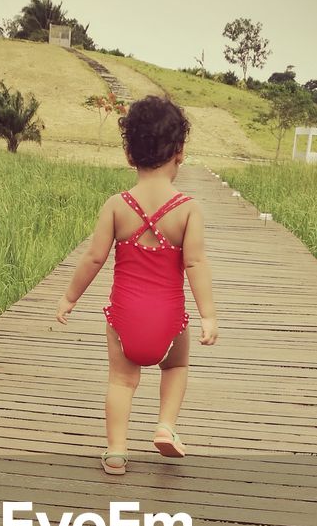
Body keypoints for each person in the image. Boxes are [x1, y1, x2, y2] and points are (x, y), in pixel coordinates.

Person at [55, 95, 218, 475]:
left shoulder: (116, 205)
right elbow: (195, 262)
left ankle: (115, 451)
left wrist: (68, 298)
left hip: (124, 317)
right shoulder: (188, 209)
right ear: (180, 152)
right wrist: (208, 315)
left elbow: (94, 258)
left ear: (130, 155)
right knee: (176, 367)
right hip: (169, 319)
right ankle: (165, 426)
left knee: (121, 381)